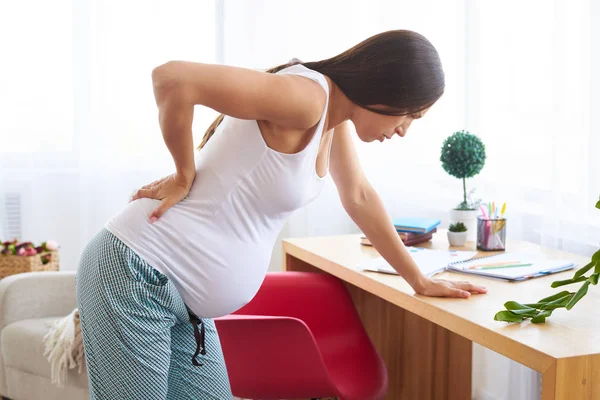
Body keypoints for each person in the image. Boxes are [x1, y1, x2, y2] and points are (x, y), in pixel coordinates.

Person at [76, 29, 487, 399]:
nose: (403, 130)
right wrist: (185, 174)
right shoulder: (307, 99)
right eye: (410, 114)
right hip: (137, 275)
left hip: (184, 302)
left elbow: (359, 195)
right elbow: (172, 79)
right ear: (387, 89)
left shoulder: (333, 118)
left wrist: (418, 279)